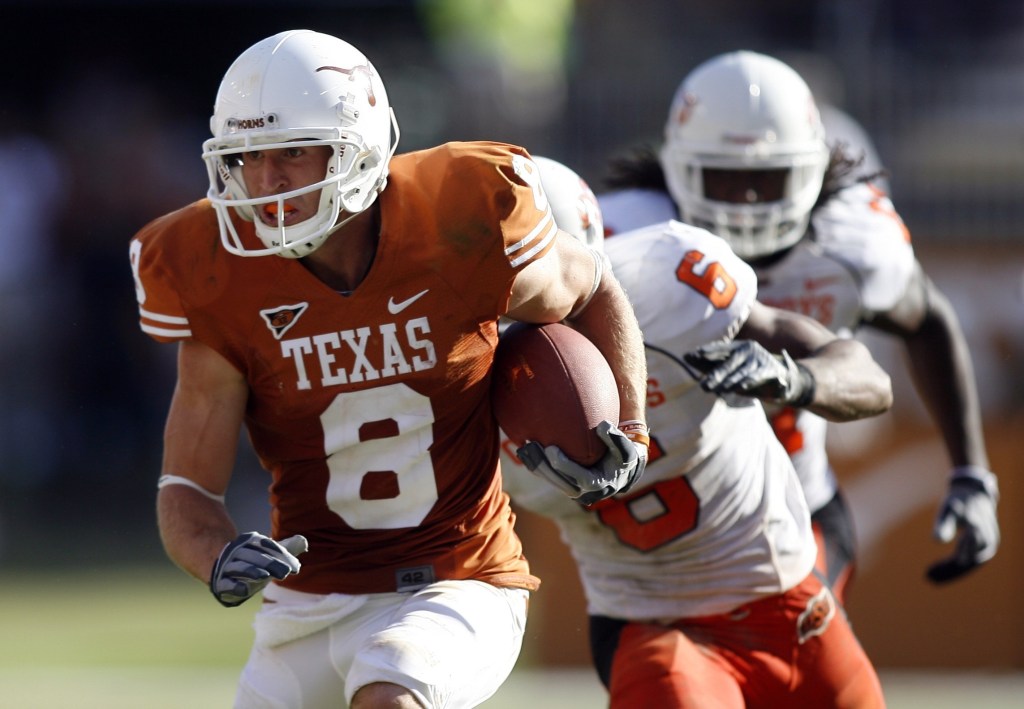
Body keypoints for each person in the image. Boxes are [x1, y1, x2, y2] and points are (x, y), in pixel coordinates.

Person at [127, 30, 649, 709]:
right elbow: (186, 488)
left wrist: (632, 426)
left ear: (361, 147)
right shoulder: (216, 271)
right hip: (309, 601)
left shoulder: (459, 221)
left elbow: (592, 284)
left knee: (389, 693)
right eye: (247, 157)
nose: (266, 182)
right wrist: (217, 556)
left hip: (458, 581)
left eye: (292, 152)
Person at [597, 50, 999, 600]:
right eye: (725, 180)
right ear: (680, 168)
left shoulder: (851, 246)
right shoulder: (630, 239)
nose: (748, 204)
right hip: (664, 524)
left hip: (796, 512)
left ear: (810, 168)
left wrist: (971, 474)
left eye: (767, 177)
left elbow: (928, 321)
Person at [501, 157, 892, 706]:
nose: (530, 308)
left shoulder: (670, 281)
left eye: (544, 279)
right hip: (648, 624)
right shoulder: (452, 386)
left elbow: (870, 381)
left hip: (783, 595)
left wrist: (795, 378)